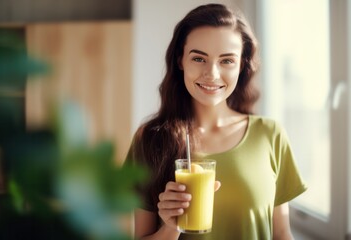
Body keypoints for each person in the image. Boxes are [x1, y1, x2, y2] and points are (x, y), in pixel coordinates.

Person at [125, 3, 307, 240]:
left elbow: (282, 234)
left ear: (242, 65)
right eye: (199, 59)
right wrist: (171, 226)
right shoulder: (149, 139)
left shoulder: (270, 135)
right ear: (181, 60)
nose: (212, 74)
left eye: (227, 60)